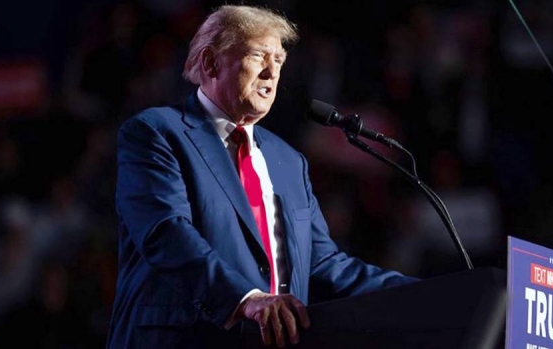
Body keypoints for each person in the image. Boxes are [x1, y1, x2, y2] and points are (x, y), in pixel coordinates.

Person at [107, 5, 417, 348]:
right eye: (259, 56)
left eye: (279, 60)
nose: (272, 73)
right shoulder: (157, 133)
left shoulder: (288, 160)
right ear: (211, 63)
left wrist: (425, 294)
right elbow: (166, 234)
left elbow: (324, 267)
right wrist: (246, 298)